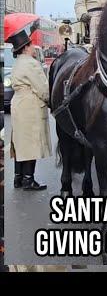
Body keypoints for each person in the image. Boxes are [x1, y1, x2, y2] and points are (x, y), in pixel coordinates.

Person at [7, 23, 52, 191]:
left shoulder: (18, 63)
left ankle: (18, 178)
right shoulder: (31, 64)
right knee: (32, 143)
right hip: (30, 106)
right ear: (25, 48)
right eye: (31, 45)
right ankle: (28, 180)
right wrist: (50, 101)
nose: (33, 47)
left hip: (19, 104)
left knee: (20, 143)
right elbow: (42, 89)